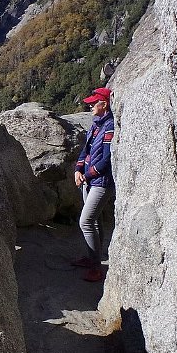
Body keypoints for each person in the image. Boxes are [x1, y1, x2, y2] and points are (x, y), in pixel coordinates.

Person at [73, 86, 114, 281]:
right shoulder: (96, 125)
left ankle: (97, 267)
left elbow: (106, 160)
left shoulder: (110, 127)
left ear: (103, 104)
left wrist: (86, 175)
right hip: (89, 180)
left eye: (93, 104)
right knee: (95, 221)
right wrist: (77, 170)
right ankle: (92, 258)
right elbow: (85, 150)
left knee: (86, 222)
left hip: (101, 182)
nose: (90, 107)